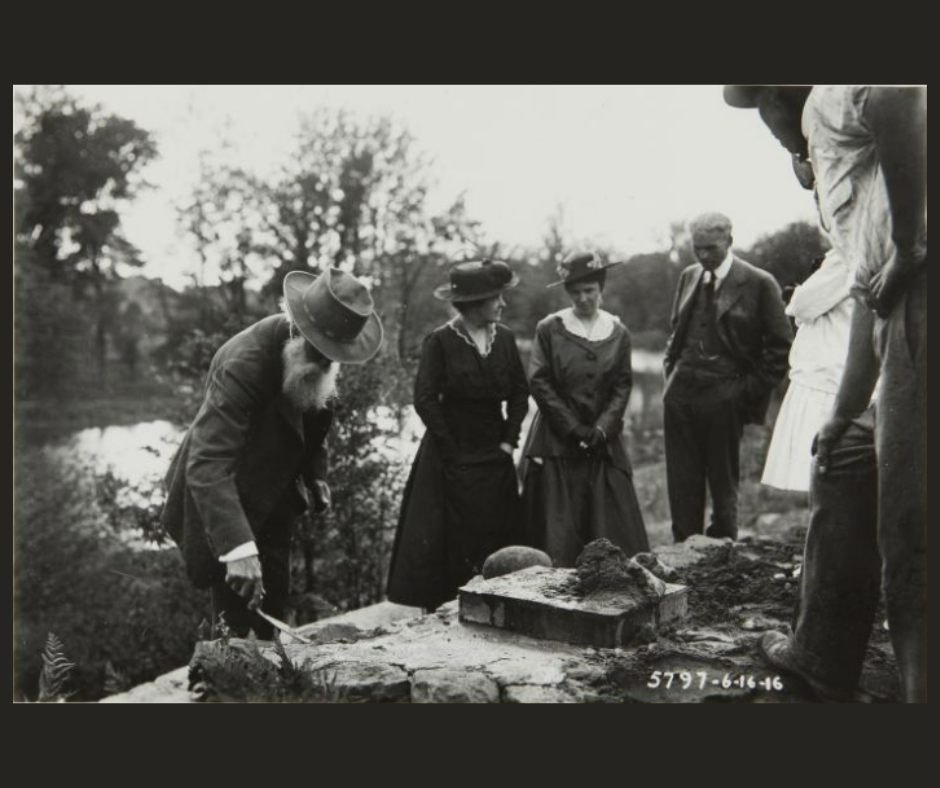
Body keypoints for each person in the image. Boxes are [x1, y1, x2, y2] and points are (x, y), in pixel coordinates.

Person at [726, 85, 927, 702]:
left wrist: (908, 244)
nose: (782, 143)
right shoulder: (850, 175)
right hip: (901, 310)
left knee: (911, 529)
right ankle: (819, 656)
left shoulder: (828, 96)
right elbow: (870, 291)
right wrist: (843, 413)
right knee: (843, 457)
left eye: (766, 120)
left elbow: (900, 94)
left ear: (780, 94)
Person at [161, 267, 383, 639]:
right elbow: (208, 462)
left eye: (335, 355)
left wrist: (316, 473)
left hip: (276, 492)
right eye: (322, 352)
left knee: (273, 607)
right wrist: (237, 548)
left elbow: (314, 417)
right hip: (224, 497)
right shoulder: (243, 363)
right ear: (298, 330)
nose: (328, 362)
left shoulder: (315, 359)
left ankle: (271, 674)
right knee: (233, 624)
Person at [386, 259, 529, 611]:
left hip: (494, 457)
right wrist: (450, 448)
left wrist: (509, 440)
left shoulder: (506, 340)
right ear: (474, 303)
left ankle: (495, 608)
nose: (502, 304)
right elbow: (424, 399)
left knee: (497, 535)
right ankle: (445, 614)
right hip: (449, 459)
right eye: (495, 298)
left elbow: (520, 395)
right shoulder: (439, 342)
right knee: (447, 541)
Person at [662, 212, 792, 542]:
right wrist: (670, 375)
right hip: (680, 393)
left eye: (711, 249)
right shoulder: (689, 276)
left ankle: (722, 551)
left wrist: (742, 391)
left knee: (723, 481)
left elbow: (781, 350)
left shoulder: (759, 282)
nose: (704, 256)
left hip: (725, 395)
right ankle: (684, 549)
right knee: (681, 479)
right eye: (698, 248)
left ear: (730, 242)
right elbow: (677, 332)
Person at [520, 251, 649, 566]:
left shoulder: (618, 332)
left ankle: (610, 585)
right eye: (576, 292)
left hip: (603, 443)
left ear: (601, 288)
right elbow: (540, 381)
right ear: (567, 293)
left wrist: (602, 428)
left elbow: (622, 384)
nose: (583, 298)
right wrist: (573, 428)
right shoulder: (550, 328)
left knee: (612, 524)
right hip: (557, 441)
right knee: (558, 527)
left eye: (589, 290)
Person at [761, 247, 858, 492]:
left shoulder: (844, 256)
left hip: (825, 379)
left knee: (820, 476)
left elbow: (801, 305)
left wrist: (800, 294)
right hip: (837, 374)